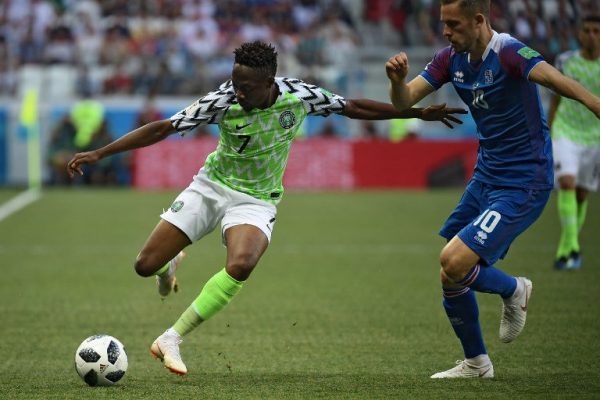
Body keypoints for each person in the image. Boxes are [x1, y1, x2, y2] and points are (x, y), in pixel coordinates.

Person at [66, 41, 467, 376]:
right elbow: (164, 128)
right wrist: (100, 153)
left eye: (245, 87)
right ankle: (168, 267)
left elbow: (353, 107)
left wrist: (415, 112)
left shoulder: (298, 96)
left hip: (256, 199)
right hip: (210, 187)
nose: (237, 92)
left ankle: (172, 338)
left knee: (241, 264)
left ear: (269, 82)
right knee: (144, 265)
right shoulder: (222, 100)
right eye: (235, 82)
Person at [385, 0, 600, 379]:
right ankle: (477, 363)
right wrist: (397, 82)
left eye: (454, 24)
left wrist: (595, 103)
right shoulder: (449, 59)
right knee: (450, 271)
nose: (446, 32)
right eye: (443, 23)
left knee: (455, 262)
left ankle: (514, 289)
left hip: (524, 181)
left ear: (479, 20)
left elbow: (554, 79)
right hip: (486, 177)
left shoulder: (510, 52)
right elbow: (404, 102)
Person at [547, 16, 600, 270]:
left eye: (596, 31)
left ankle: (565, 249)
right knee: (567, 183)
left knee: (581, 193)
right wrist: (548, 131)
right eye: (587, 30)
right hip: (565, 131)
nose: (591, 35)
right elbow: (555, 100)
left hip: (594, 137)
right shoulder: (565, 61)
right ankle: (574, 248)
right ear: (579, 34)